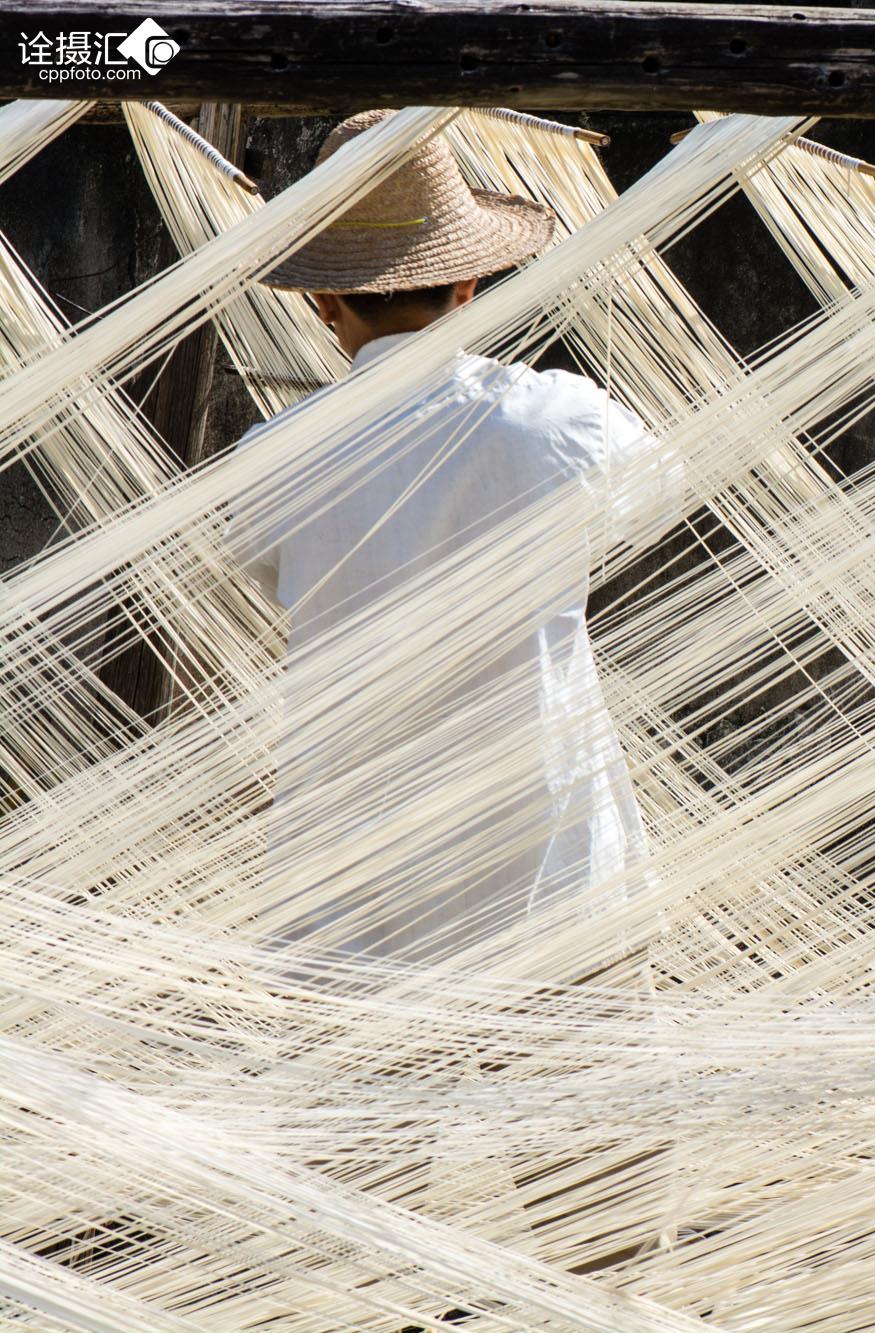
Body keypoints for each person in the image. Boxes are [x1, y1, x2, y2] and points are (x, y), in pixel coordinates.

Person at [227, 109, 674, 970]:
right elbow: (657, 495)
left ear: (324, 303)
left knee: (360, 1098)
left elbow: (259, 561)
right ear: (468, 284)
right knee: (567, 1096)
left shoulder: (272, 459)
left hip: (349, 861)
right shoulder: (561, 419)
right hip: (540, 852)